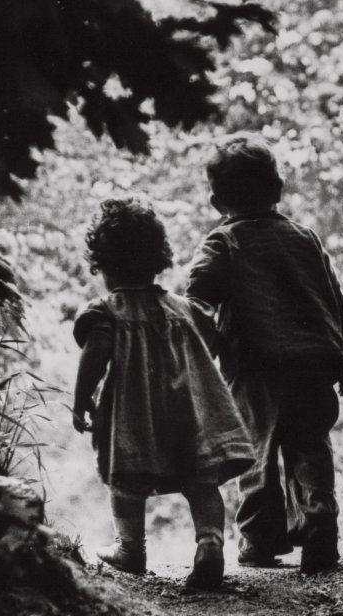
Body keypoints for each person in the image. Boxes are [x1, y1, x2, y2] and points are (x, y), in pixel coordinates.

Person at [186, 133, 343, 575]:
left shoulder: (223, 242)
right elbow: (337, 302)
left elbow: (196, 295)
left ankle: (259, 541)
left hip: (257, 368)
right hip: (315, 364)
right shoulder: (305, 238)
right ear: (278, 189)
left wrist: (208, 342)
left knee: (256, 454)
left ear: (216, 202)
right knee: (310, 446)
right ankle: (320, 521)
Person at [72, 197, 253, 590]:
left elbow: (96, 352)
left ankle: (130, 550)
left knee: (125, 484)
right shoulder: (184, 308)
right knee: (202, 481)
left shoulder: (106, 311)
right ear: (158, 259)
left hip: (133, 419)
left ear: (102, 265)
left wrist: (81, 398)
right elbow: (214, 341)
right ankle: (209, 543)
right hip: (189, 412)